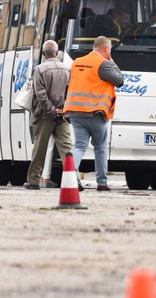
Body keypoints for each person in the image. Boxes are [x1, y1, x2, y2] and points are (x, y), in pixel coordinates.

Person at [64, 36, 124, 191]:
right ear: (105, 49)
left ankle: (69, 177)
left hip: (75, 112)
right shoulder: (103, 64)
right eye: (109, 49)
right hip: (95, 112)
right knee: (100, 148)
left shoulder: (76, 63)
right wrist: (112, 61)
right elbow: (119, 80)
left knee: (79, 145)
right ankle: (102, 183)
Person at [23, 40, 72, 190]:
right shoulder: (68, 69)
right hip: (62, 115)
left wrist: (51, 111)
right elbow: (70, 92)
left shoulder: (39, 70)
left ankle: (33, 181)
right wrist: (62, 110)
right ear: (57, 53)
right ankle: (73, 180)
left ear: (44, 54)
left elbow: (41, 95)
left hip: (44, 116)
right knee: (67, 148)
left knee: (40, 148)